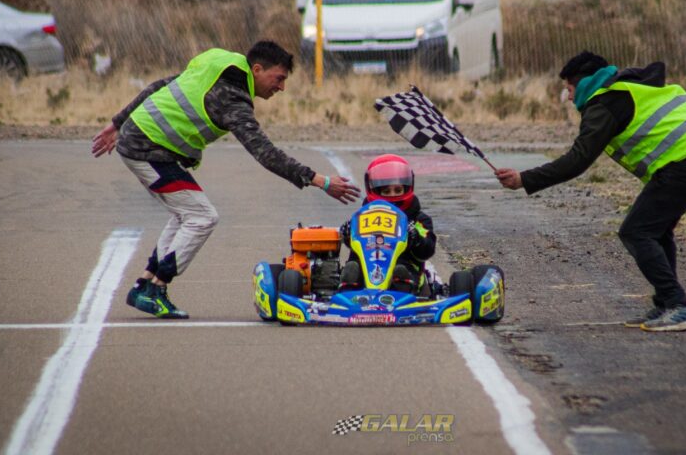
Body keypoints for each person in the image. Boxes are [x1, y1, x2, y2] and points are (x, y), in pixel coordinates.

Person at [92, 41, 361, 319]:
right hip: (147, 149)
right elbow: (265, 153)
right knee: (202, 217)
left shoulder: (219, 59)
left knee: (186, 214)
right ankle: (155, 289)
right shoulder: (233, 98)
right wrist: (321, 181)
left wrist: (118, 122)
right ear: (257, 69)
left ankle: (145, 285)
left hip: (147, 143)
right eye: (278, 79)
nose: (281, 87)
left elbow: (160, 85)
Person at [496, 51, 686, 332]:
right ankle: (666, 305)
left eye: (569, 89)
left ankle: (679, 307)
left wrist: (525, 179)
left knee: (636, 231)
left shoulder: (604, 103)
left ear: (583, 84)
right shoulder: (636, 85)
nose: (569, 98)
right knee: (656, 231)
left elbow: (577, 160)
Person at [338, 154, 436, 296]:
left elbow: (428, 250)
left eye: (397, 190)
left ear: (407, 188)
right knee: (352, 268)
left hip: (406, 271)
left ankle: (401, 294)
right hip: (366, 271)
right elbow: (355, 246)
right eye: (386, 191)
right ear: (375, 191)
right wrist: (347, 234)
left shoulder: (418, 219)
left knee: (400, 270)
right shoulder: (362, 217)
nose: (392, 195)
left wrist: (416, 238)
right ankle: (347, 296)